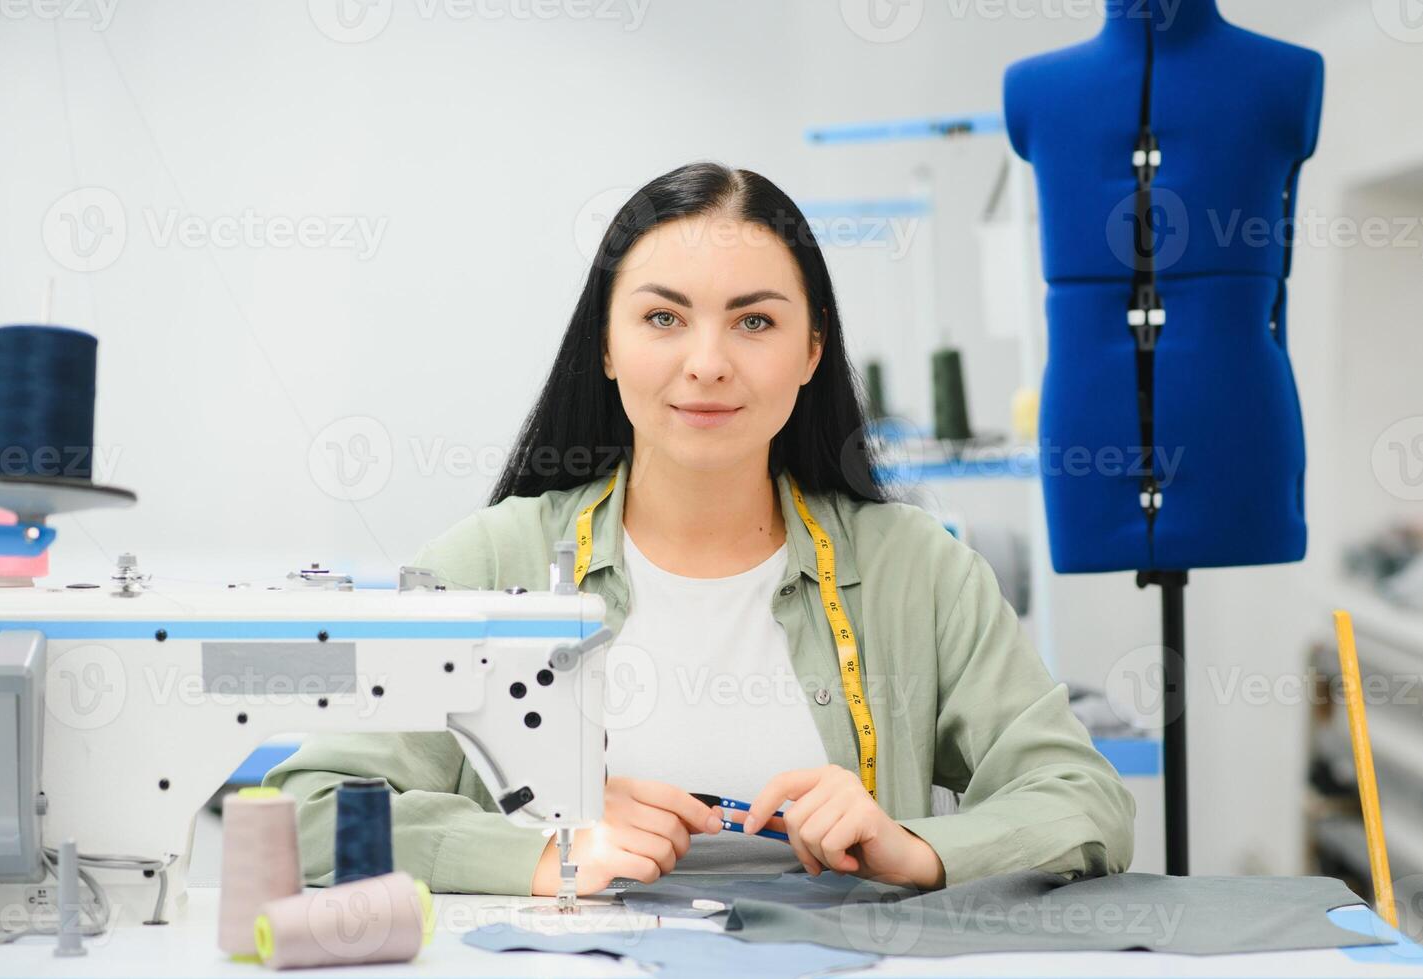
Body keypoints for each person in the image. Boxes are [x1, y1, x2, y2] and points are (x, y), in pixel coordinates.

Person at [264, 161, 1135, 897]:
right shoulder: (490, 563)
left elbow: (1080, 796)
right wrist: (538, 853)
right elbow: (311, 809)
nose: (708, 361)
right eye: (662, 318)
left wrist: (919, 848)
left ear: (811, 350)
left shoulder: (921, 573)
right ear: (604, 346)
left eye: (755, 321)